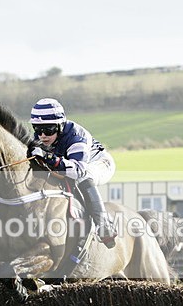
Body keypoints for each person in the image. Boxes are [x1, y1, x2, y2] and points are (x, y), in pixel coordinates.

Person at [26, 97, 117, 248]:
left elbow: (78, 171)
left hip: (98, 163)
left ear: (60, 126)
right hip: (70, 163)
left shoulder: (76, 136)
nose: (42, 135)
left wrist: (50, 158)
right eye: (37, 128)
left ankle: (104, 225)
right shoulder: (41, 136)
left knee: (84, 177)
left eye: (48, 129)